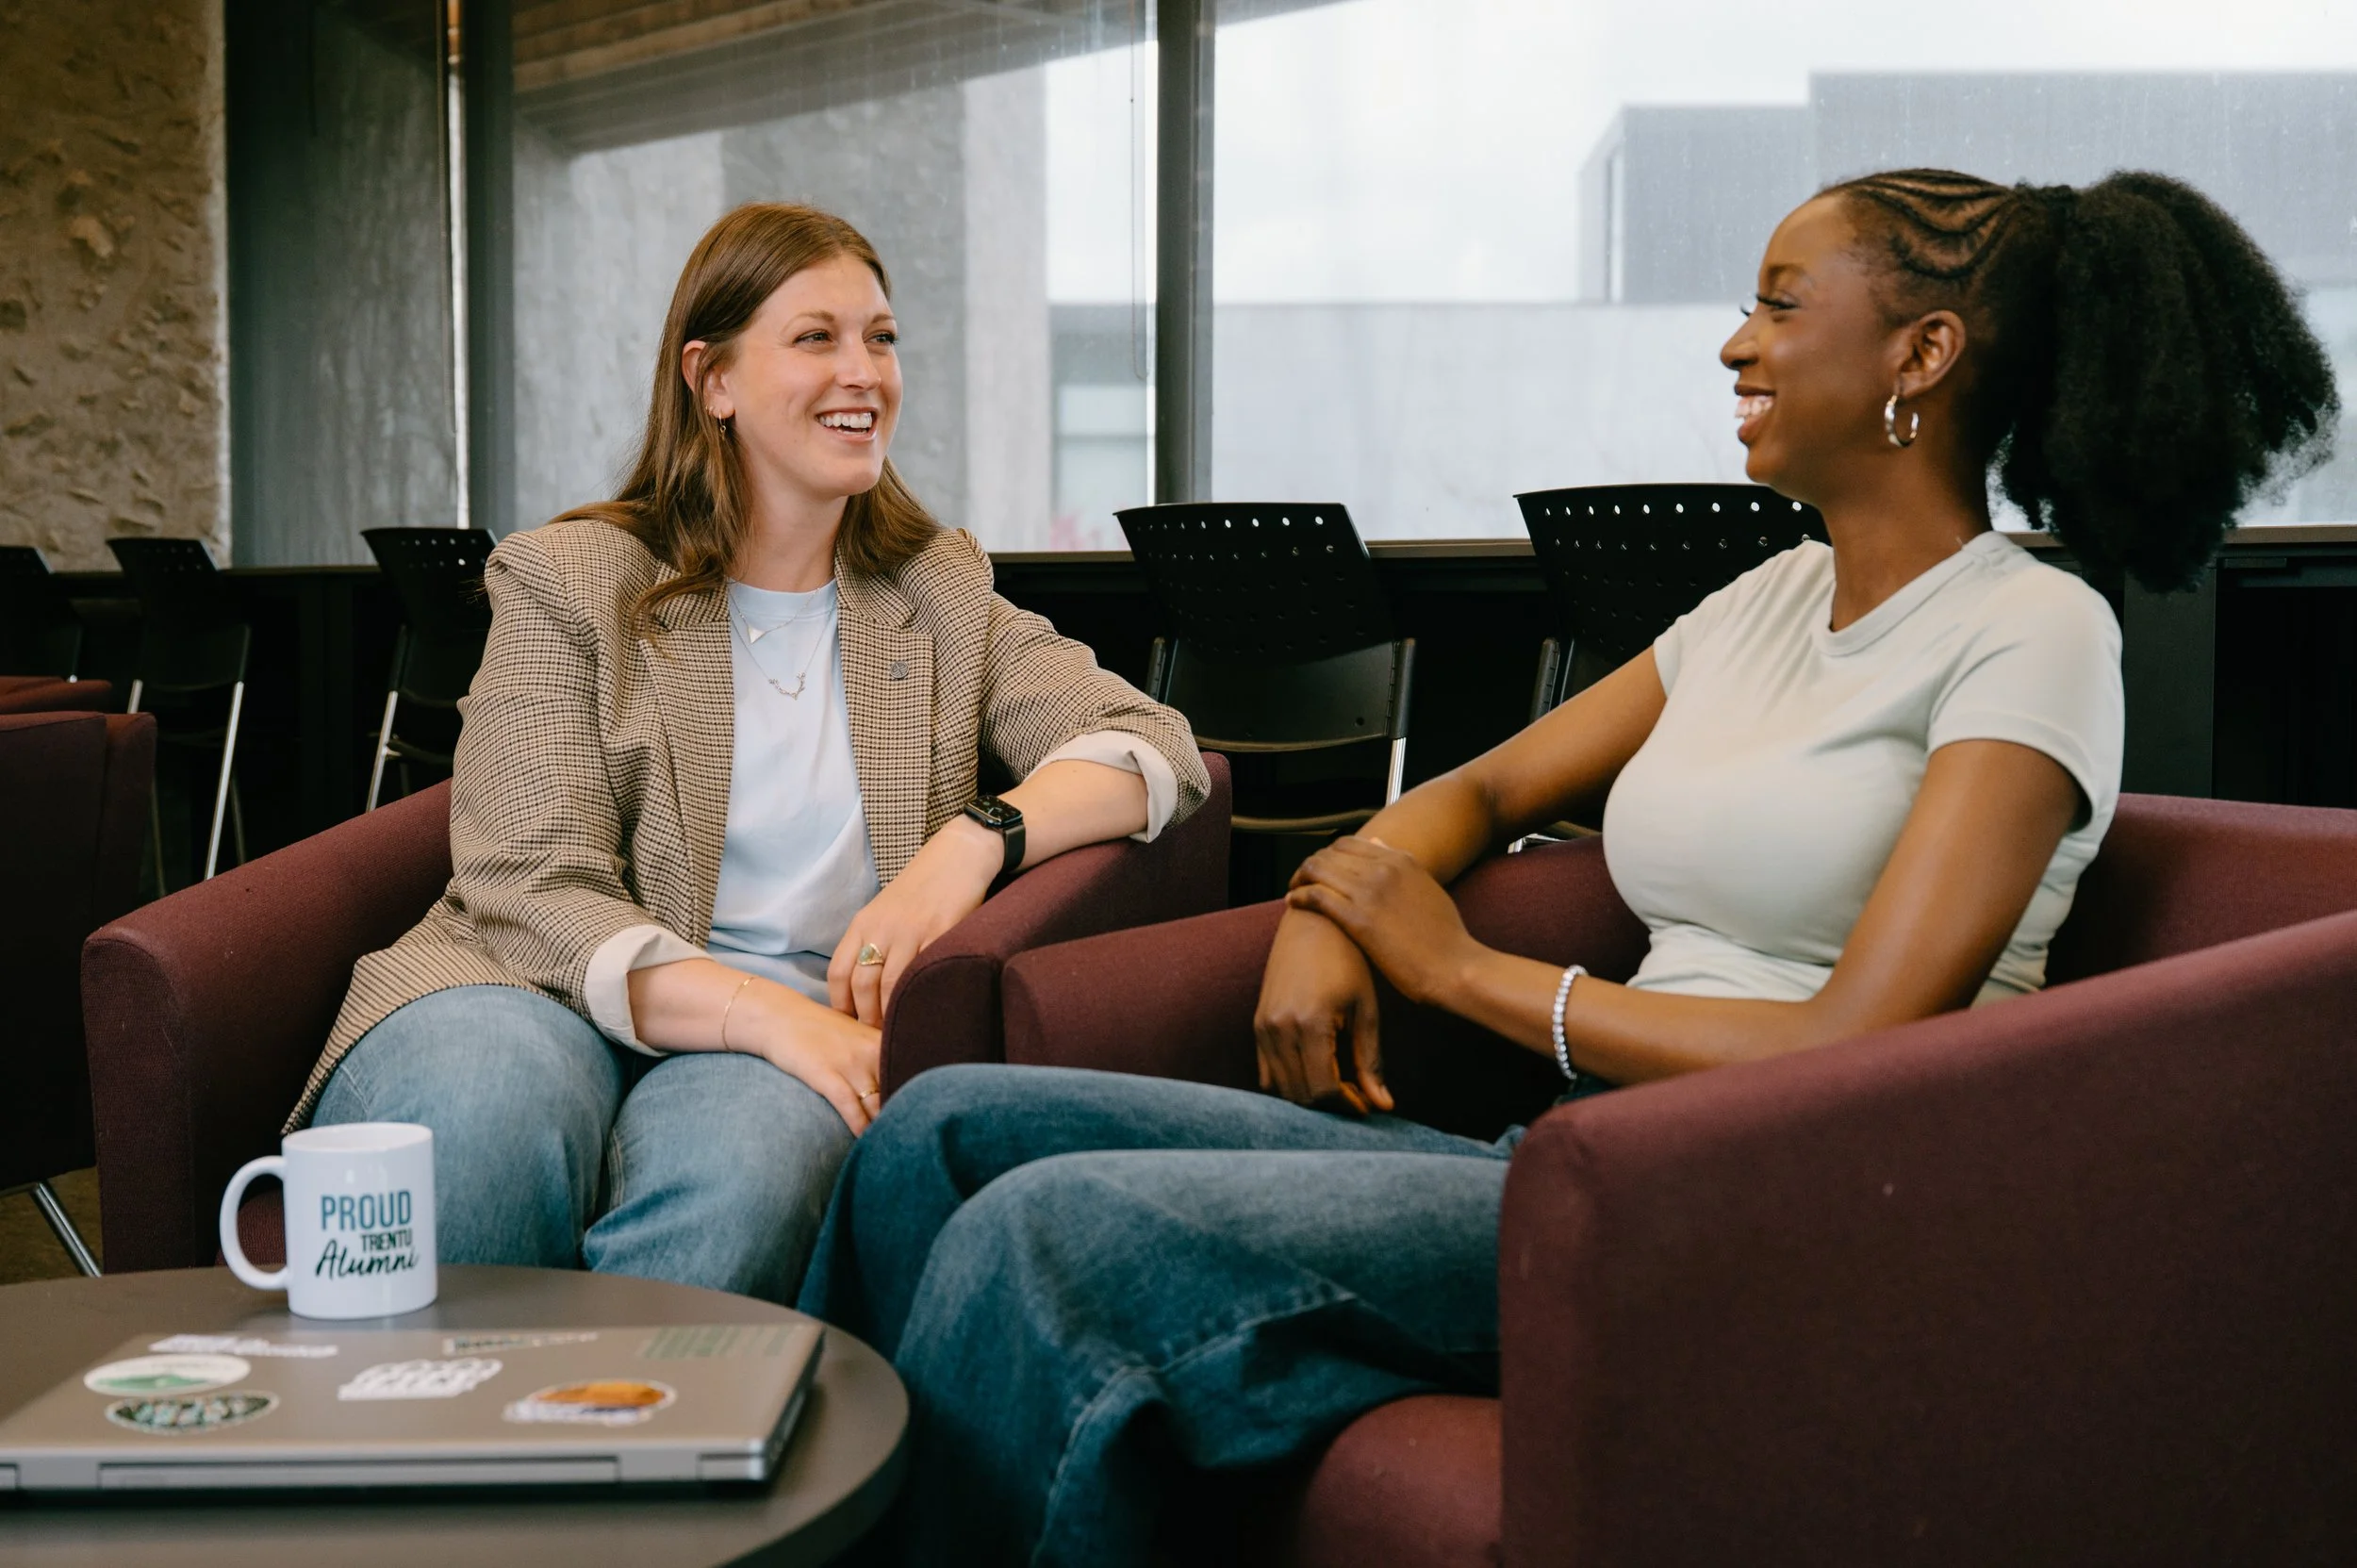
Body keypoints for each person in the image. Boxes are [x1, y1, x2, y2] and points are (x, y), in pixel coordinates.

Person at [799, 169, 2340, 1563]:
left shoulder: (2031, 630)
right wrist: (1335, 909)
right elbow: (1471, 793)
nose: (1737, 344)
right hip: (1567, 1162)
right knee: (938, 1127)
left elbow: (1853, 1044)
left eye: (1782, 304)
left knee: (1039, 1236)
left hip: (1757, 1215)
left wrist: (1464, 971)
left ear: (1921, 357)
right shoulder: (1763, 602)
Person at [293, 203, 1209, 1304]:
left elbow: (1152, 747)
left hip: (776, 1045)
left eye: (880, 336)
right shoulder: (569, 577)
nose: (862, 369)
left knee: (746, 1191)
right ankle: (429, 1460)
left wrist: (976, 841)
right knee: (479, 1119)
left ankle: (620, 1463)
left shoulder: (938, 588)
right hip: (527, 988)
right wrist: (764, 1012)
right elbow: (530, 885)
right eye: (815, 337)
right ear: (711, 379)